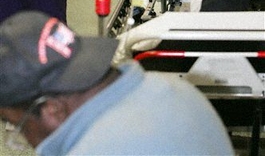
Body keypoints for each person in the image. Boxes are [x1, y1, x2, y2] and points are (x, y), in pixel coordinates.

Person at [0, 10, 235, 156]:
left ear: (53, 110)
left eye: (18, 127)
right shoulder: (176, 89)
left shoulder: (95, 150)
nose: (26, 141)